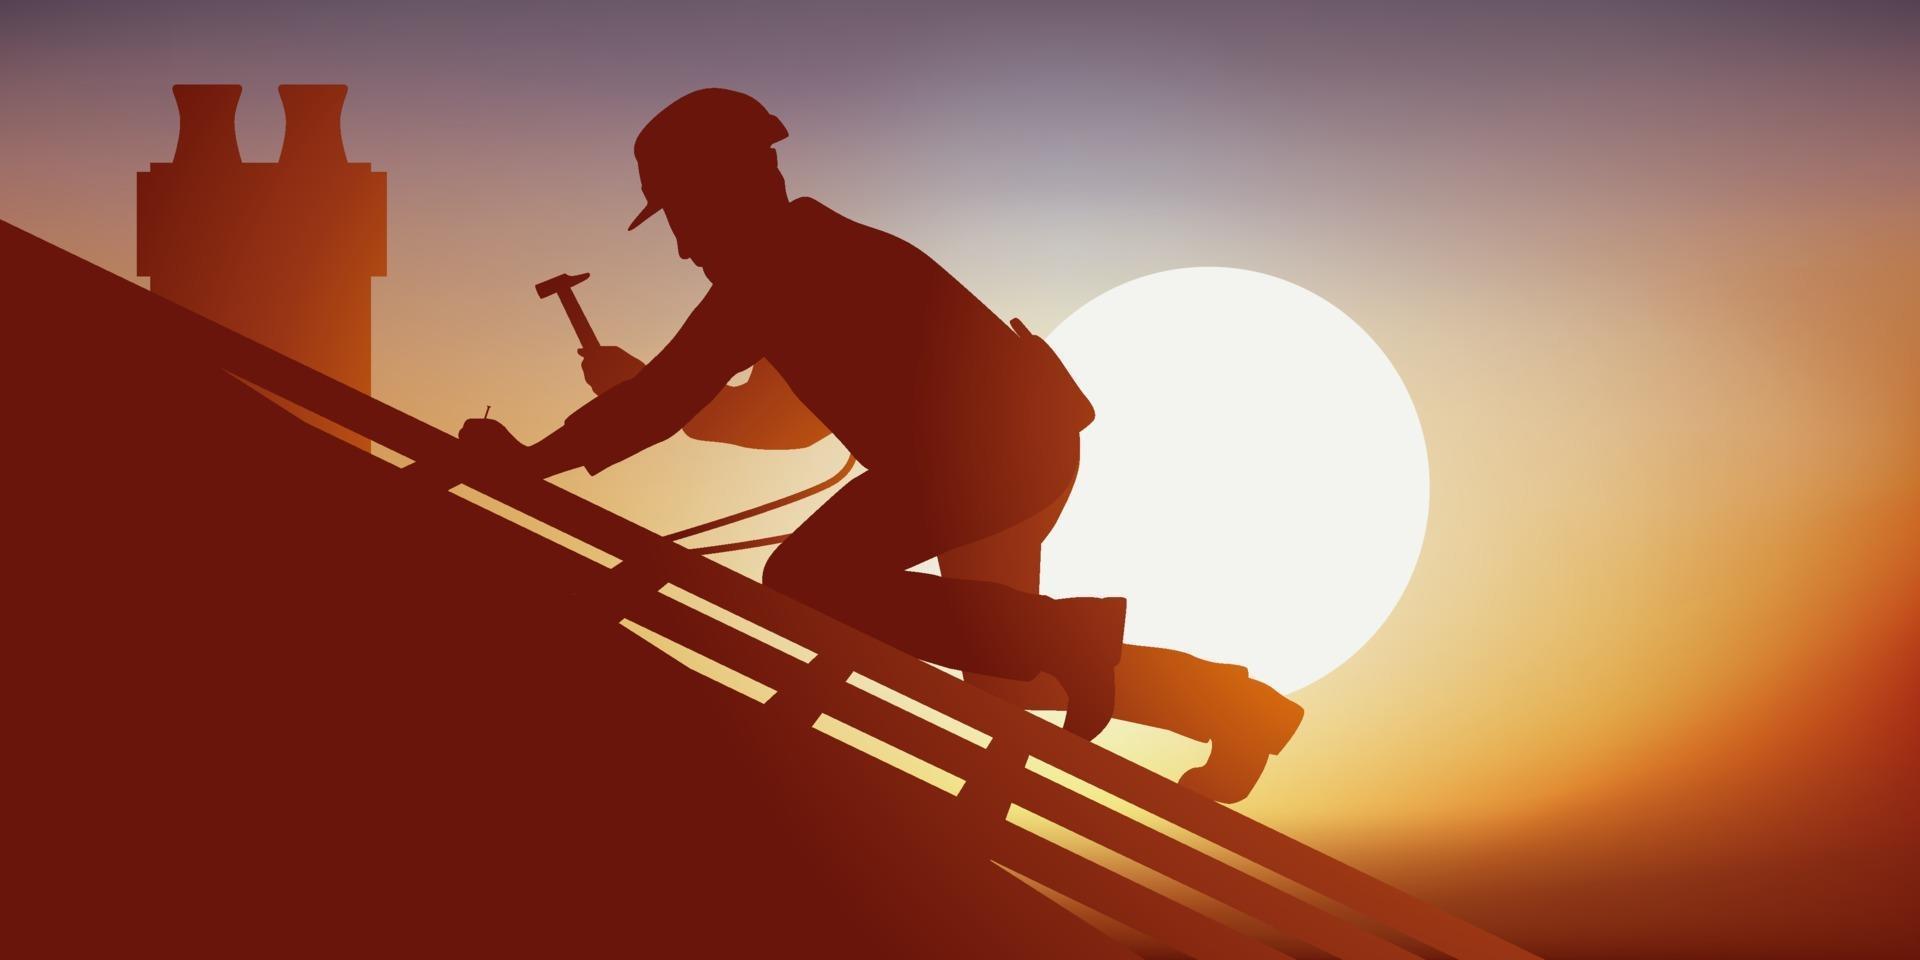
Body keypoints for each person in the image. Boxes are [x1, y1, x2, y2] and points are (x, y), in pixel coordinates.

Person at [462, 89, 1301, 802]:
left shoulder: (780, 267)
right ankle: (1228, 708)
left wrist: (533, 460)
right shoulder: (804, 258)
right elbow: (761, 416)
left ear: (729, 189)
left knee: (818, 584)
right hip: (984, 457)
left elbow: (672, 400)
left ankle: (1102, 676)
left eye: (682, 214)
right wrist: (638, 401)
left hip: (993, 457)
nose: (682, 246)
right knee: (984, 658)